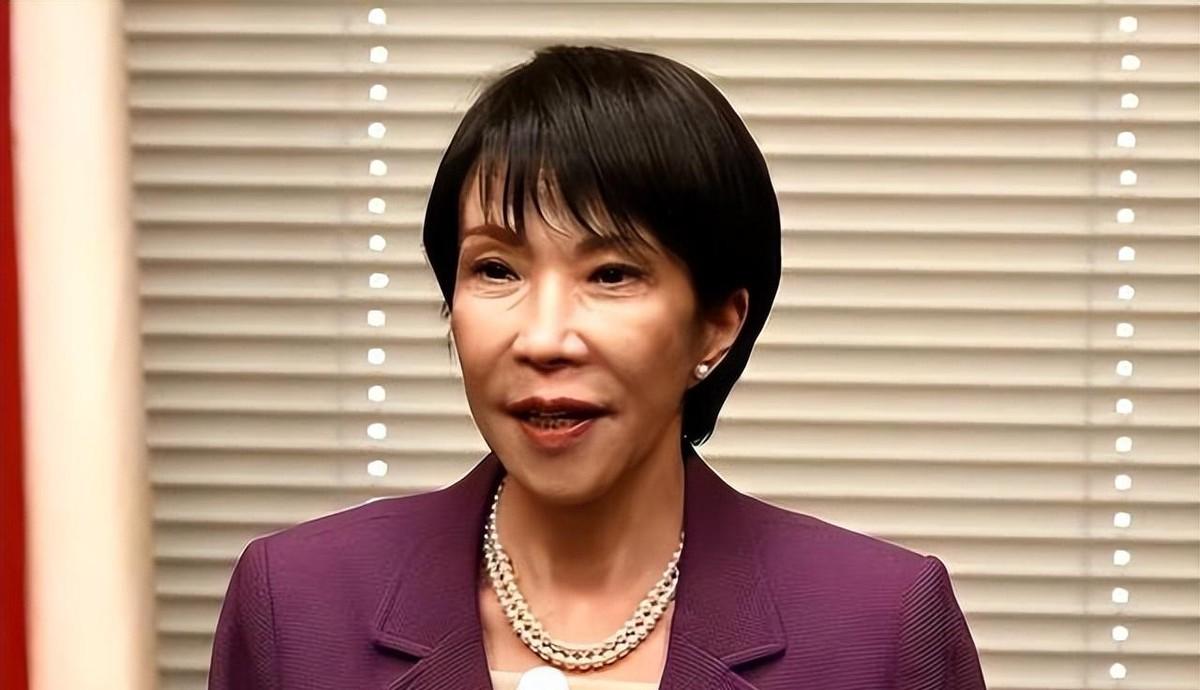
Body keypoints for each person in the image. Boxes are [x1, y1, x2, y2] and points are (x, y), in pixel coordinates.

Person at [208, 44, 986, 690]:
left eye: (612, 274)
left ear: (718, 323)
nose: (545, 338)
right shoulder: (296, 605)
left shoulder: (880, 628)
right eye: (496, 270)